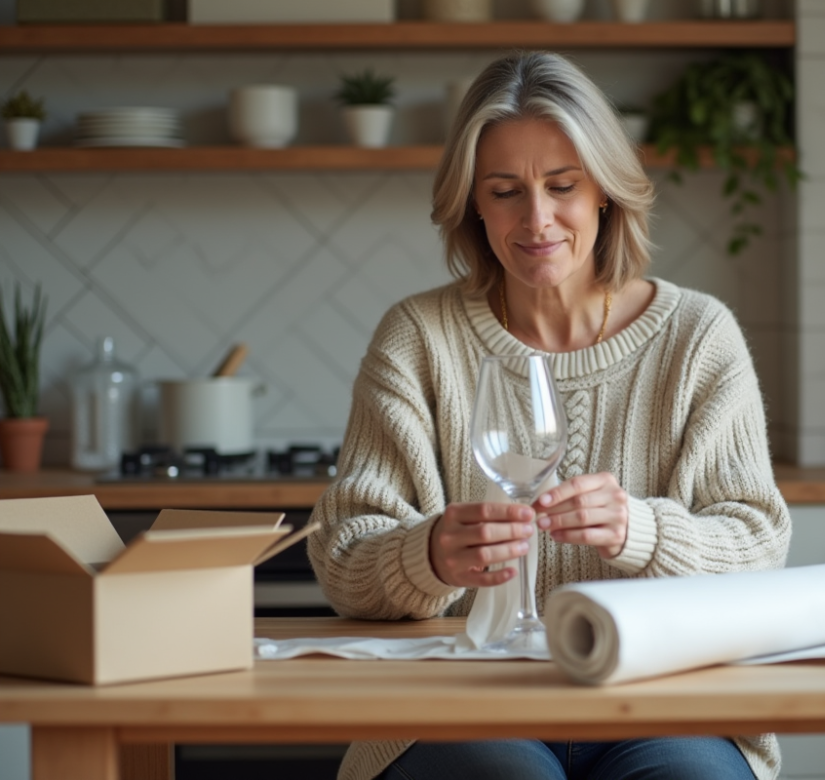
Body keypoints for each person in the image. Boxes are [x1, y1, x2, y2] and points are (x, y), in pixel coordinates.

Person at [308, 51, 792, 780]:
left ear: (605, 190)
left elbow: (760, 546)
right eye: (505, 191)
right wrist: (429, 553)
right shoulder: (419, 338)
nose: (536, 220)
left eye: (561, 186)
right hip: (465, 702)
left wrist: (644, 531)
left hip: (665, 701)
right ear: (472, 202)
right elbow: (345, 555)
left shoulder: (698, 336)